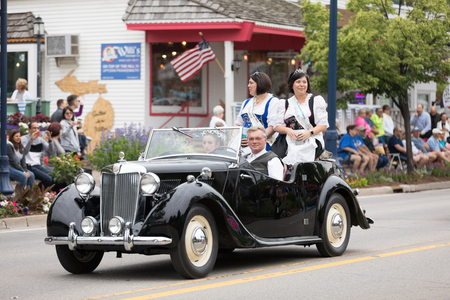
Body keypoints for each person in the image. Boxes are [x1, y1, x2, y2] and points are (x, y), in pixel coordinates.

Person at [274, 69, 328, 163]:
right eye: (298, 82)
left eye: (304, 82)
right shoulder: (284, 103)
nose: (301, 84)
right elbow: (277, 126)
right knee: (274, 160)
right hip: (290, 140)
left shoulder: (316, 101)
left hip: (311, 139)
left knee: (299, 159)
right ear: (292, 84)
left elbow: (323, 125)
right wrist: (287, 130)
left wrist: (309, 132)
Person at [235, 71, 279, 151]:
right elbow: (238, 124)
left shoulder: (273, 102)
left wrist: (253, 139)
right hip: (243, 145)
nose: (248, 86)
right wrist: (234, 142)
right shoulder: (246, 102)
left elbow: (272, 127)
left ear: (260, 84)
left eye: (251, 83)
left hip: (262, 145)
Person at [21, 122, 55, 189]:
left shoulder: (40, 140)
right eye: (34, 128)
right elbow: (24, 152)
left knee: (55, 176)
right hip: (29, 166)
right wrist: (30, 140)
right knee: (48, 179)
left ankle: (43, 193)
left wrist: (50, 140)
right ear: (29, 129)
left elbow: (51, 151)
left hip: (37, 165)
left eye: (38, 128)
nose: (36, 130)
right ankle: (36, 192)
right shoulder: (24, 139)